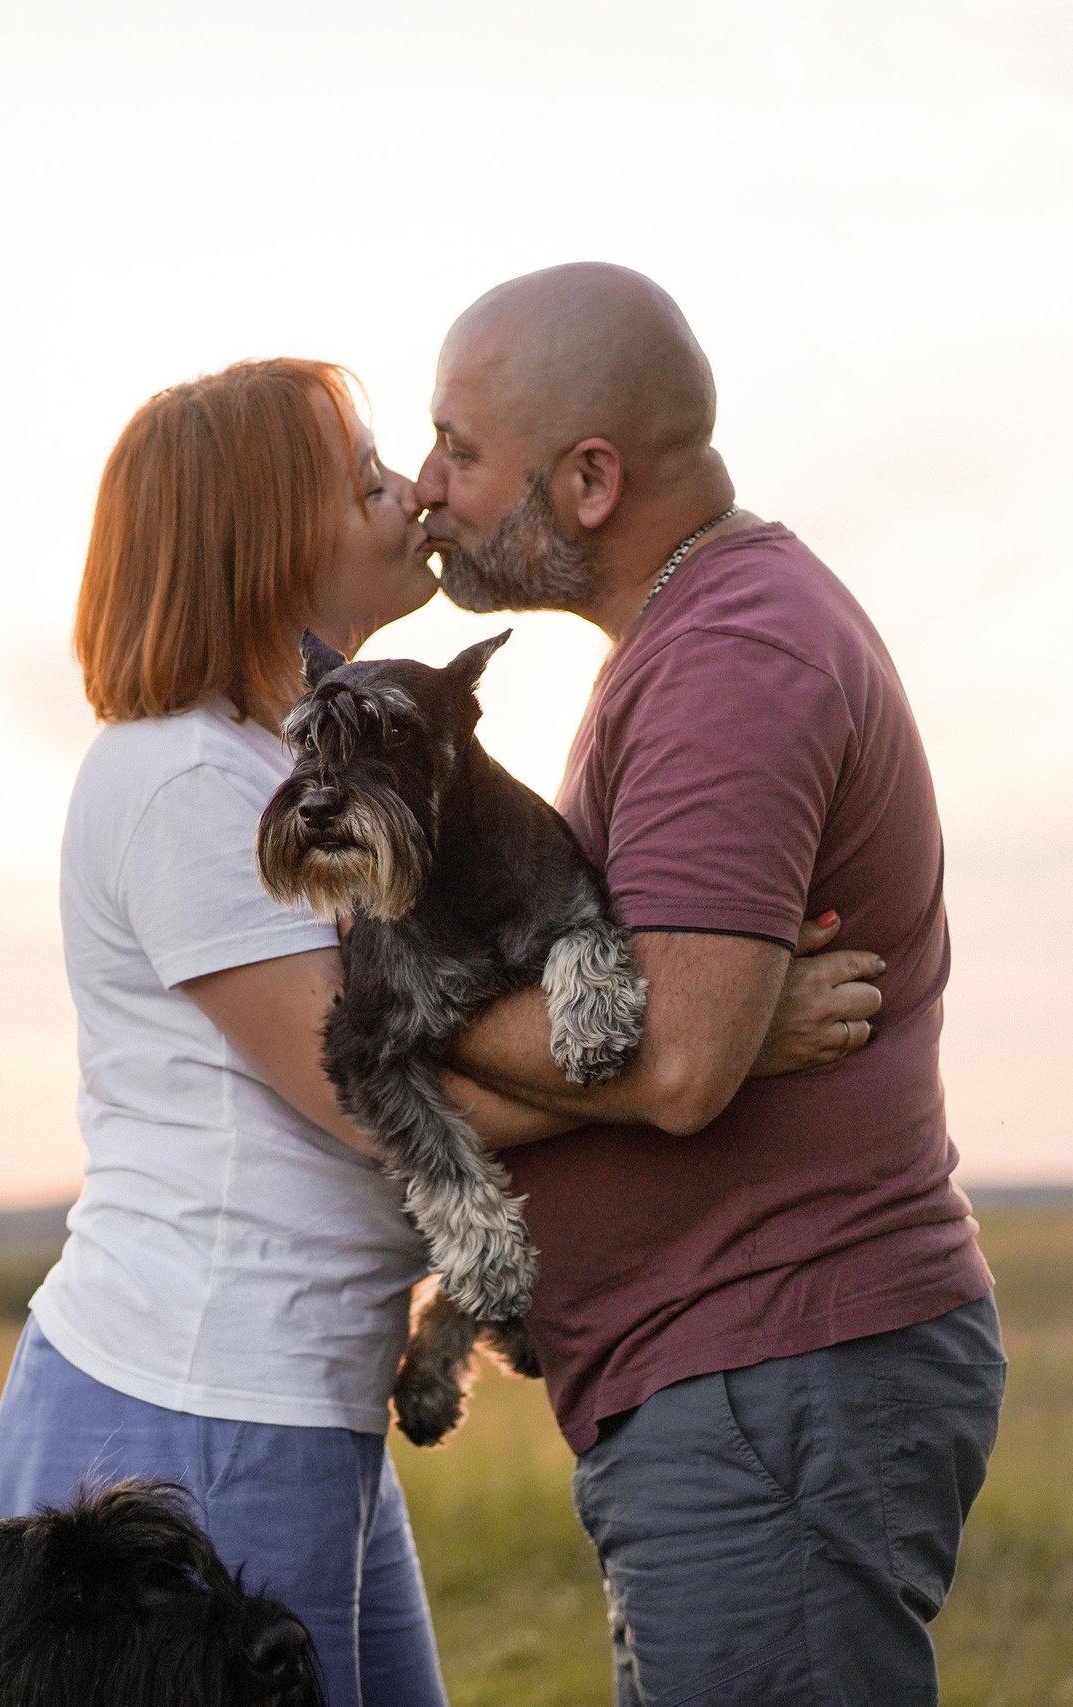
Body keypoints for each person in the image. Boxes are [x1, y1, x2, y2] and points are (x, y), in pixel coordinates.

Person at [0, 356, 885, 1707]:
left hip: (302, 1397)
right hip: (198, 1409)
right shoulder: (185, 779)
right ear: (265, 543)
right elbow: (367, 1089)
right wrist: (709, 1044)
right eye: (366, 481)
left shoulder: (293, 763)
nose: (414, 491)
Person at [418, 263, 1006, 1705]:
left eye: (460, 449)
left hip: (774, 1369)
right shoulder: (689, 639)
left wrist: (426, 1039)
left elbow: (679, 1061)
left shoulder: (732, 658)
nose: (425, 486)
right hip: (742, 1378)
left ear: (590, 480)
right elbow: (684, 1034)